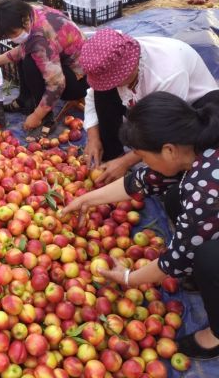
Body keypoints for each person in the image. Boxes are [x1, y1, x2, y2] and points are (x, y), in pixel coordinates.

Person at [61, 91, 219, 360]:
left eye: (144, 157)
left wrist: (127, 278)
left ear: (168, 149)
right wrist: (85, 200)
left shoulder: (205, 185)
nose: (143, 164)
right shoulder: (195, 142)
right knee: (174, 199)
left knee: (207, 259)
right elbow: (143, 181)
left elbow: (175, 259)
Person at [79, 28, 219, 184]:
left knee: (177, 163)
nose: (111, 85)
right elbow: (93, 94)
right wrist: (93, 138)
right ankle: (112, 157)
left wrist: (126, 162)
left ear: (129, 69)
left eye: (113, 81)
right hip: (150, 102)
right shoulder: (116, 56)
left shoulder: (166, 75)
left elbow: (163, 128)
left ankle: (168, 172)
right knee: (103, 94)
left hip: (192, 108)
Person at [0, 0, 88, 130]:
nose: (12, 39)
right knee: (28, 55)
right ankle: (24, 101)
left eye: (13, 34)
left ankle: (46, 118)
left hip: (81, 79)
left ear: (25, 22)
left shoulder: (40, 39)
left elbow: (57, 84)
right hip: (65, 62)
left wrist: (37, 116)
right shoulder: (30, 12)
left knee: (31, 63)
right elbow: (24, 48)